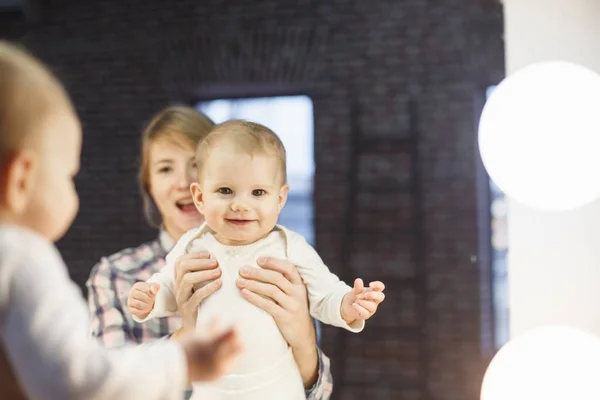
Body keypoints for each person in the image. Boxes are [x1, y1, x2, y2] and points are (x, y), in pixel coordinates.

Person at [0, 41, 241, 400]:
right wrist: (183, 359)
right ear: (21, 180)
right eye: (69, 175)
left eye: (196, 165)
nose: (182, 182)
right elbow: (82, 380)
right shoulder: (26, 257)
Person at [86, 107, 334, 399]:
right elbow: (107, 390)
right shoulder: (116, 276)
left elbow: (318, 393)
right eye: (165, 168)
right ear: (148, 185)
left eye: (196, 164)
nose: (182, 182)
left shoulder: (280, 259)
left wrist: (304, 340)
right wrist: (186, 337)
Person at [130, 120, 386, 399]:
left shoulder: (291, 247)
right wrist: (150, 299)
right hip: (212, 387)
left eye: (258, 192)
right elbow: (169, 287)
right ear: (200, 197)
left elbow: (325, 294)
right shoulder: (192, 245)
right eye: (225, 191)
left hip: (277, 386)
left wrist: (348, 304)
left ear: (280, 198)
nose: (241, 204)